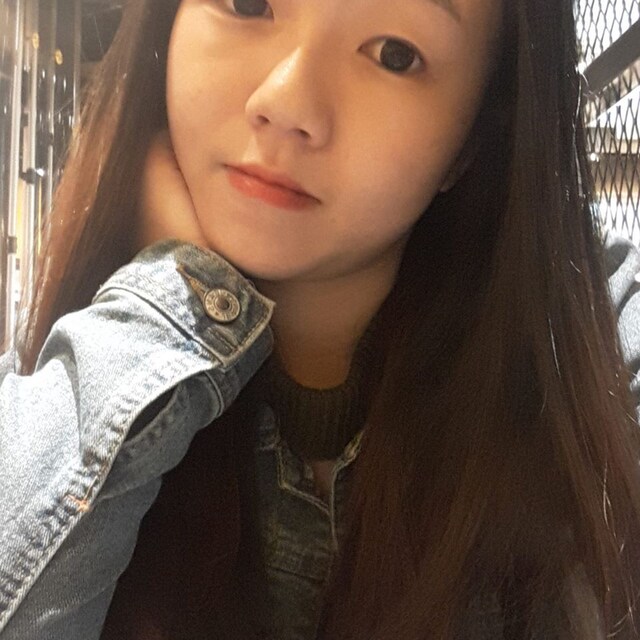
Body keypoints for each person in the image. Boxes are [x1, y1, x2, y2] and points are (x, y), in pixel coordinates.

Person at [0, 0, 639, 638]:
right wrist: (170, 307)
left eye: (395, 55)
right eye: (248, 5)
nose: (286, 102)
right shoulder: (52, 374)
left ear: (475, 137)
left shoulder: (598, 352)